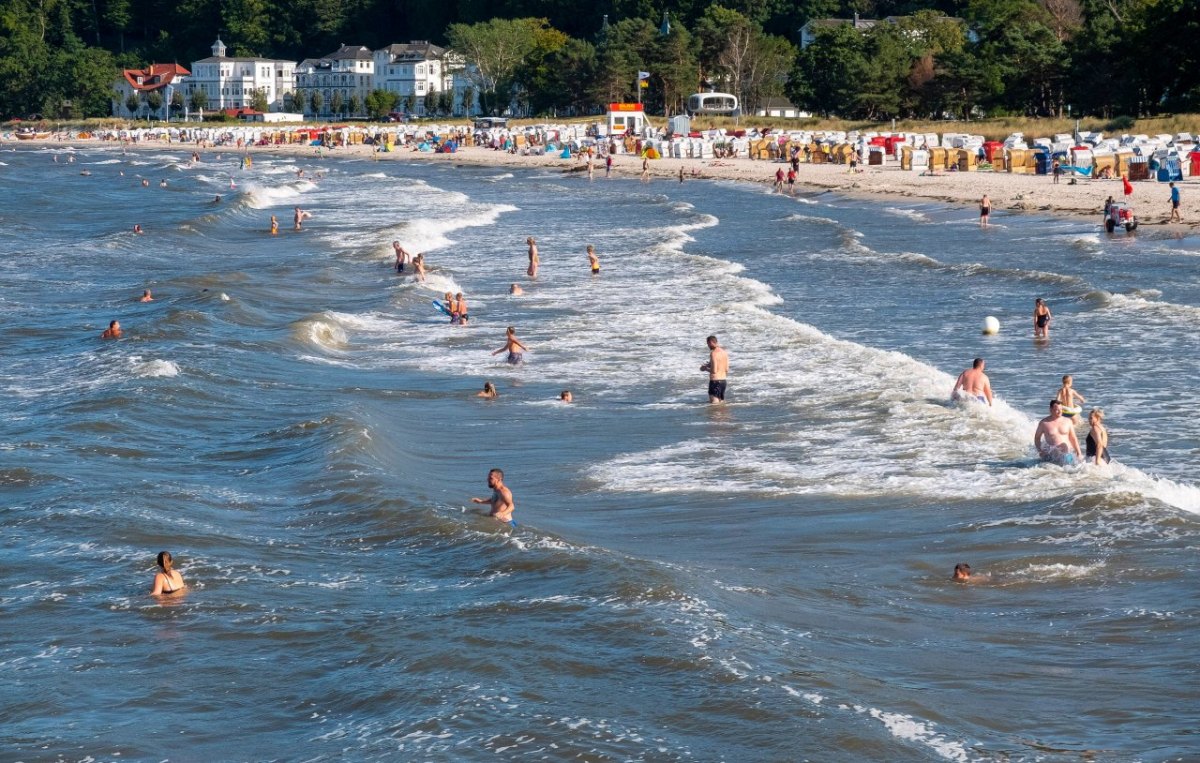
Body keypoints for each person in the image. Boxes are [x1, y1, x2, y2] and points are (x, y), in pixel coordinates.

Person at [1034, 399, 1082, 465]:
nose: (1060, 412)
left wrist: (1079, 452)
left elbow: (1073, 438)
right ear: (1050, 410)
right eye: (1057, 410)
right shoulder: (1044, 423)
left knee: (1071, 471)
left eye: (1061, 409)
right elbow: (1037, 438)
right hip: (1052, 456)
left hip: (1067, 454)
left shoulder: (1068, 421)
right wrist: (1040, 451)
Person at [701, 334, 729, 404]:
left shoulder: (713, 353)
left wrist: (705, 368)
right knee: (721, 404)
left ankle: (714, 416)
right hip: (723, 381)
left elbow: (714, 371)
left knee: (714, 405)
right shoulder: (724, 352)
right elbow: (726, 369)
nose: (708, 346)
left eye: (708, 344)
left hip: (715, 382)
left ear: (711, 342)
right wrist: (709, 364)